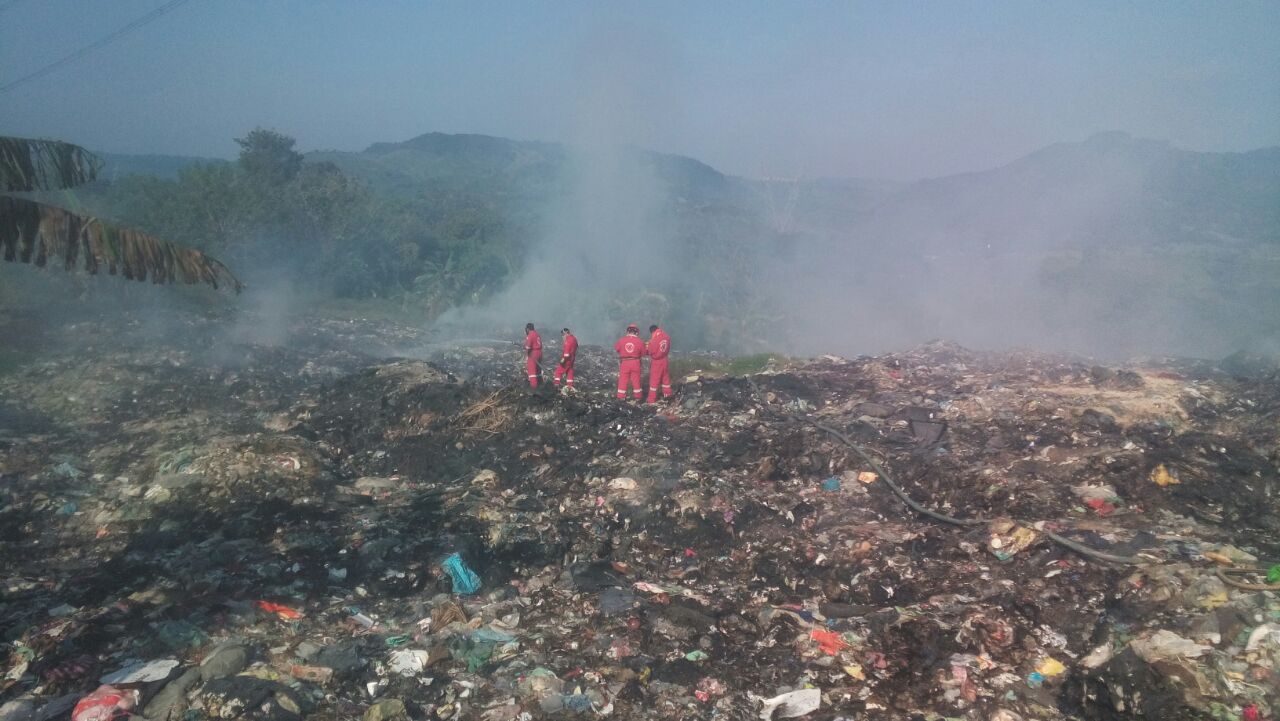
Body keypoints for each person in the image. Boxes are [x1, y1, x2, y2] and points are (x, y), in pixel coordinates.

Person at [613, 324, 644, 401]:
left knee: (623, 380)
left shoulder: (622, 340)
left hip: (625, 362)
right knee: (636, 380)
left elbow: (617, 348)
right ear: (636, 332)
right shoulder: (640, 341)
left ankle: (621, 397)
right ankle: (638, 397)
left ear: (628, 331)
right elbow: (643, 352)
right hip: (635, 362)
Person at [646, 324, 672, 402]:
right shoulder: (667, 337)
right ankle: (668, 396)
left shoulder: (654, 340)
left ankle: (651, 399)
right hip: (665, 360)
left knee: (654, 381)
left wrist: (647, 347)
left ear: (652, 331)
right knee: (665, 379)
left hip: (657, 362)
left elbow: (650, 351)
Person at [523, 322, 542, 389]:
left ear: (528, 329)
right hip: (539, 352)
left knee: (532, 372)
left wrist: (526, 356)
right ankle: (540, 384)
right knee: (538, 370)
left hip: (533, 353)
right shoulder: (537, 334)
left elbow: (528, 347)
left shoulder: (530, 335)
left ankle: (534, 388)